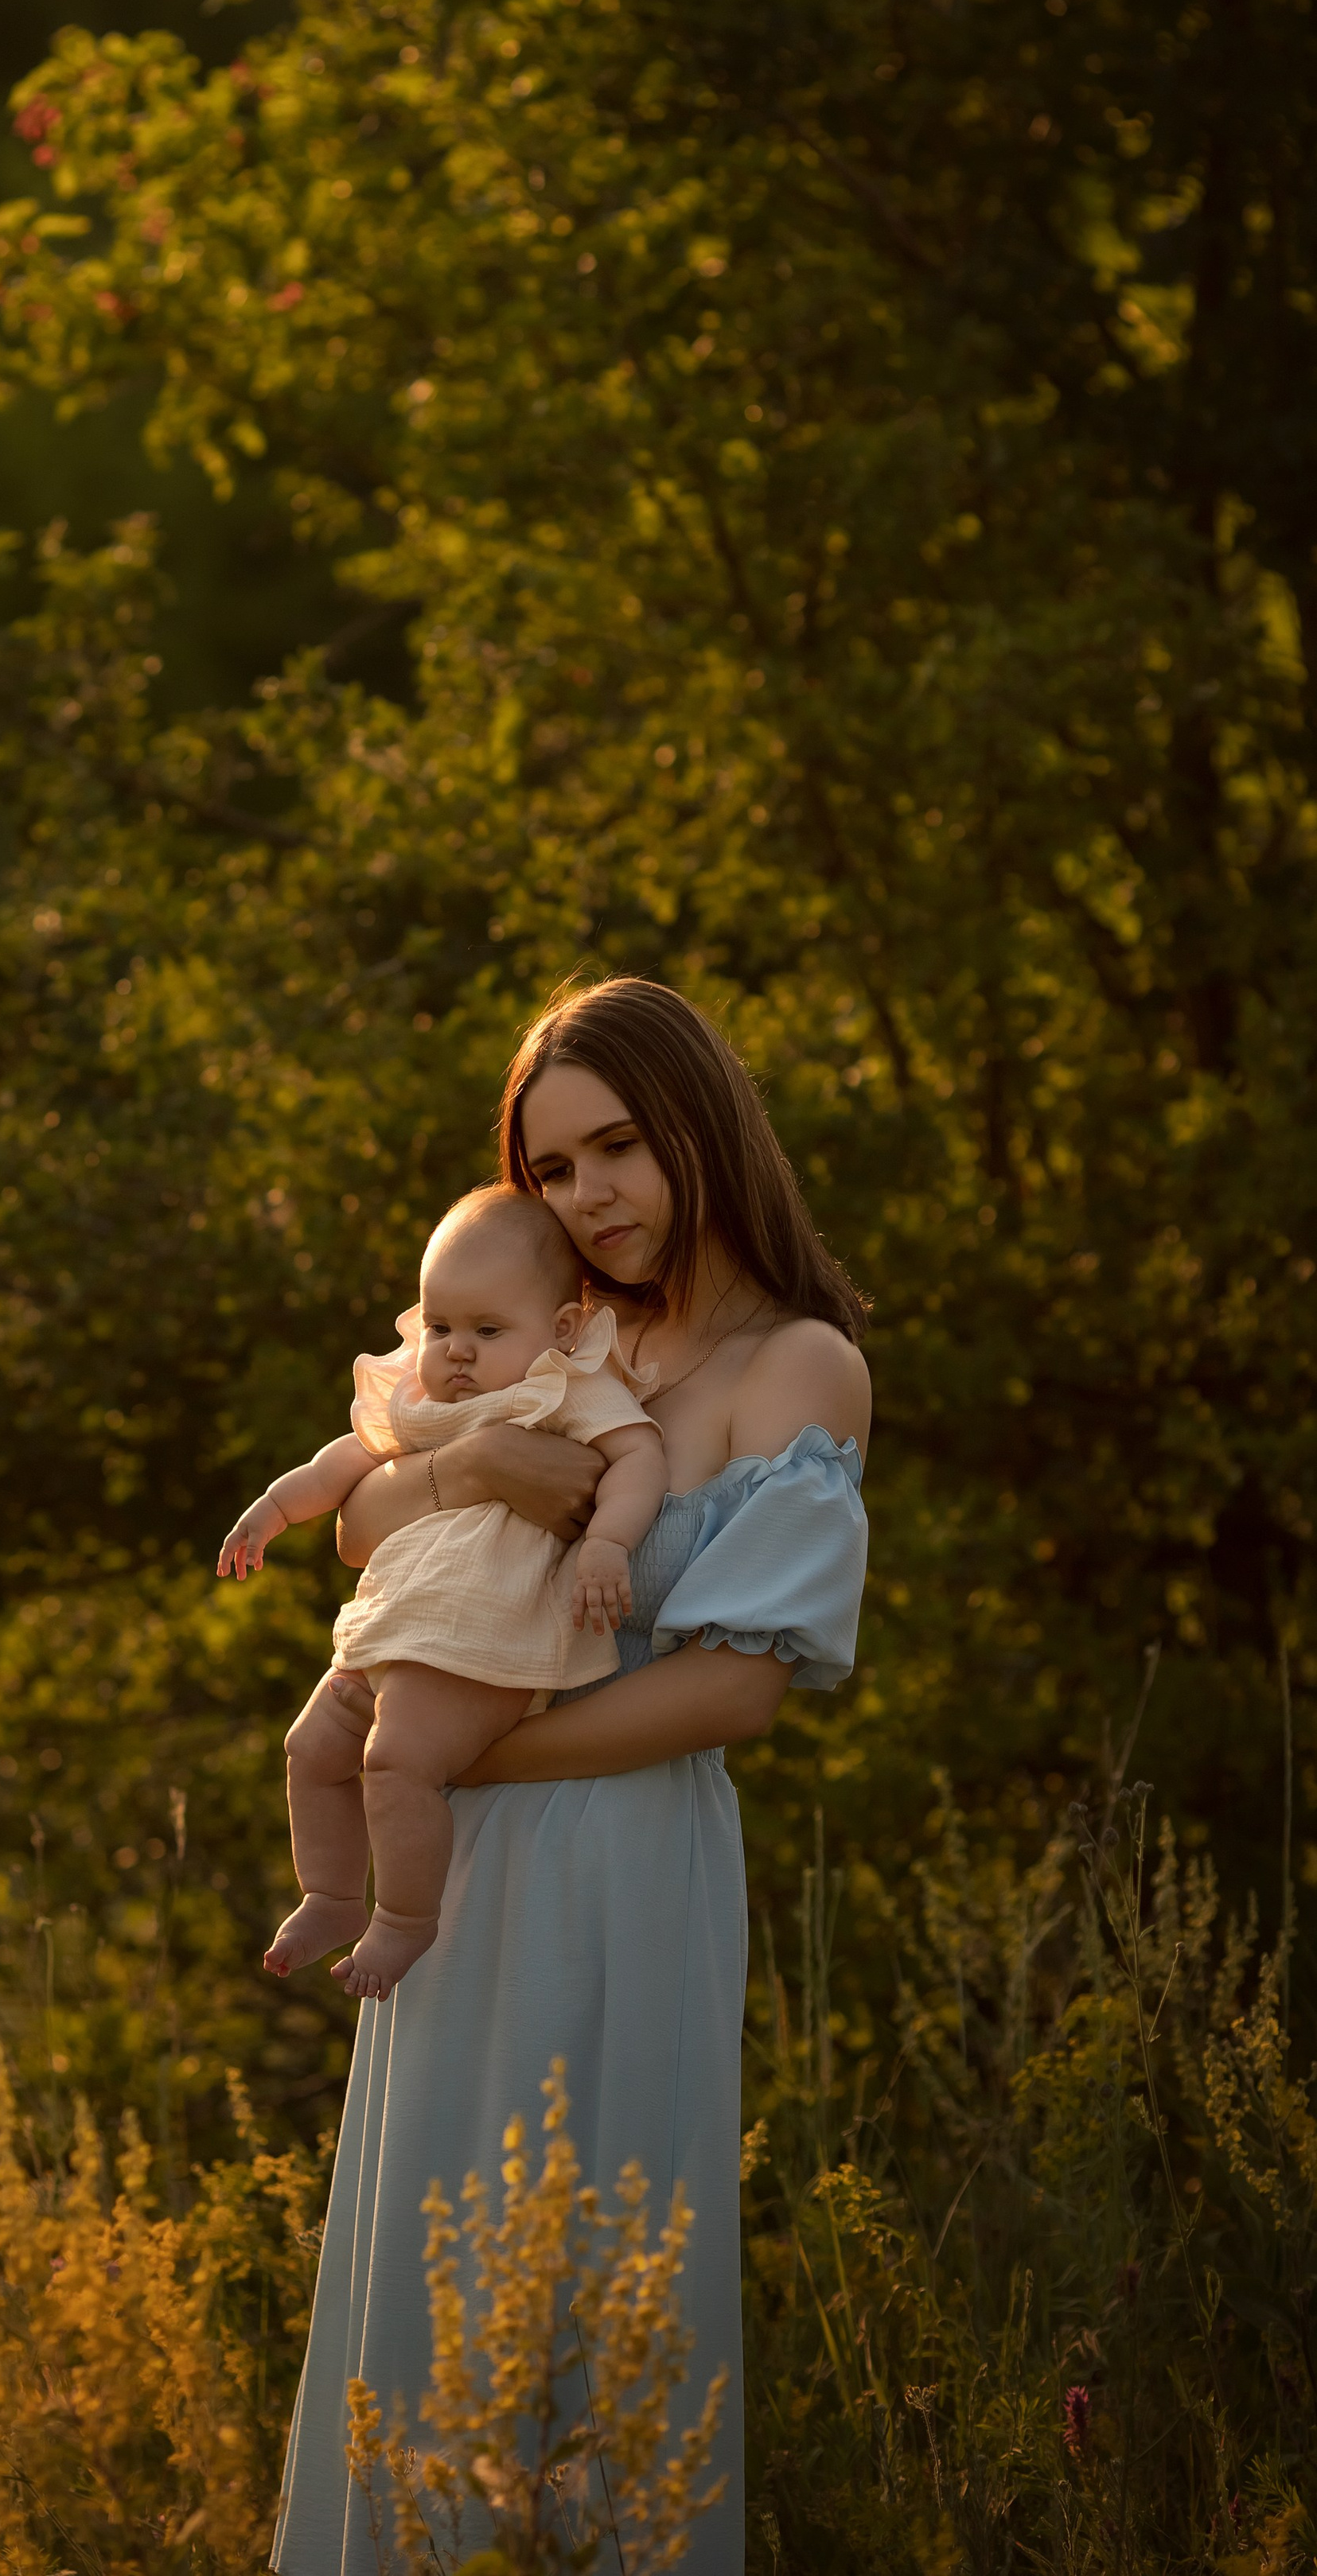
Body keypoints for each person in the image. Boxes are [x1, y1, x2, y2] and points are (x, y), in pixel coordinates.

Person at [271, 976, 871, 2576]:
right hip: (446, 1861)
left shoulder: (786, 1370)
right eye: (550, 1169)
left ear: (699, 1127)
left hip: (616, 1856)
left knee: (592, 2265)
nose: (587, 1195)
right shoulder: (566, 1332)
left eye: (617, 1147)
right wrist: (464, 1463)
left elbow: (739, 1685)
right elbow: (364, 1525)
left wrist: (473, 1748)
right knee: (435, 2264)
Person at [217, 1184, 668, 2000]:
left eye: (486, 1331)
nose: (456, 1351)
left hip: (479, 1644)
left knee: (393, 1763)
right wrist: (272, 1510)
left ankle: (405, 1920)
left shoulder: (563, 1388)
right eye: (439, 1327)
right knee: (312, 1751)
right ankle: (329, 1895)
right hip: (392, 1635)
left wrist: (607, 1543)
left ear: (561, 1330)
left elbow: (640, 1458)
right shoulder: (425, 1400)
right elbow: (345, 1465)